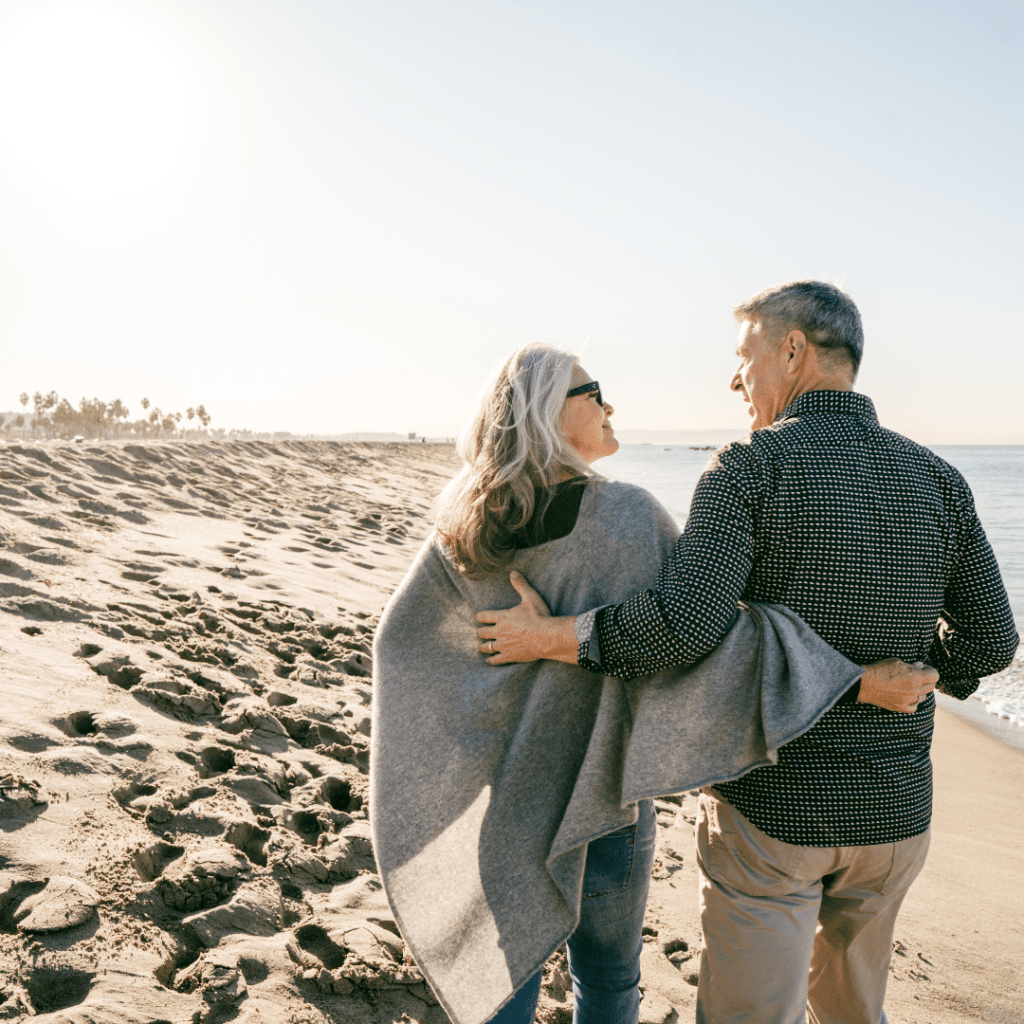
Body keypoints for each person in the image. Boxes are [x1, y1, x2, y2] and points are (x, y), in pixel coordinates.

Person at [475, 282, 1019, 1024]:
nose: (736, 377)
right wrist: (929, 673)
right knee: (856, 1013)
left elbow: (683, 628)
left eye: (744, 355)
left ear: (792, 350)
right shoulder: (940, 479)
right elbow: (992, 640)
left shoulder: (750, 468)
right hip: (896, 812)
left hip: (774, 812)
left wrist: (555, 637)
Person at [371, 341, 936, 1024]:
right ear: (548, 412)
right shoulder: (627, 518)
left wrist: (478, 726)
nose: (610, 405)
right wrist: (855, 683)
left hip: (506, 797)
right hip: (603, 793)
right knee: (608, 980)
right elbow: (711, 642)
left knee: (501, 977)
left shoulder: (464, 522)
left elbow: (401, 647)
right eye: (593, 391)